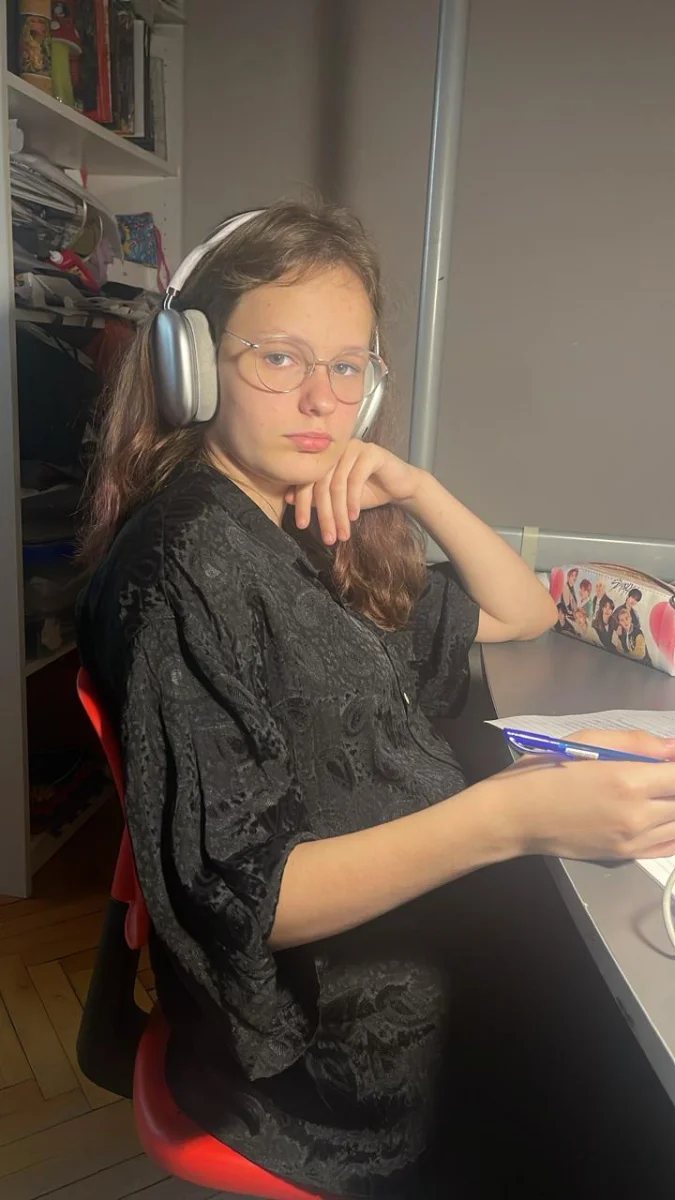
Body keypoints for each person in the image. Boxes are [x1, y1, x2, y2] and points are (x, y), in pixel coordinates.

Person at [76, 202, 675, 1200]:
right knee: (639, 1103)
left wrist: (416, 487)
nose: (322, 398)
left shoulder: (299, 525)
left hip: (423, 942)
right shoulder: (186, 561)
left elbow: (520, 613)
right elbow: (248, 903)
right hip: (338, 1050)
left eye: (348, 367)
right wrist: (512, 818)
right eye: (280, 358)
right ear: (195, 365)